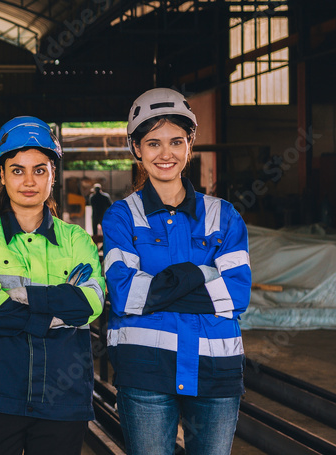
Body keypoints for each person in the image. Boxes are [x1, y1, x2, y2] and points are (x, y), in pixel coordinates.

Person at [103, 88, 251, 455]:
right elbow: (126, 294)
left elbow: (237, 294)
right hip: (145, 372)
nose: (165, 154)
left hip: (216, 372)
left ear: (190, 145)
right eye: (153, 143)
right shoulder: (122, 217)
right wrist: (201, 274)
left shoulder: (224, 215)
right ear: (136, 148)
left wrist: (159, 289)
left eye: (176, 141)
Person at [0, 117, 105, 455]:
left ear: (53, 174)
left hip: (61, 397)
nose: (28, 181)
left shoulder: (77, 240)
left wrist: (22, 296)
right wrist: (56, 313)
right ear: (2, 174)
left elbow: (90, 305)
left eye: (39, 170)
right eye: (17, 170)